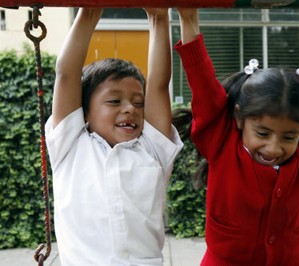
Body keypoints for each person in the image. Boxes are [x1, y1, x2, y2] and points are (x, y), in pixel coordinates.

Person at [173, 8, 299, 265]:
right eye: (262, 133)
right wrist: (188, 17)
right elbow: (202, 83)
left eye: (289, 137)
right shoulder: (220, 140)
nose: (274, 147)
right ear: (238, 118)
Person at [45, 8, 183, 265]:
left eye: (138, 102)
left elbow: (159, 84)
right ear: (84, 111)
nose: (130, 108)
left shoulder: (153, 149)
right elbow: (66, 74)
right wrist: (89, 12)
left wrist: (159, 18)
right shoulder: (70, 146)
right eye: (113, 100)